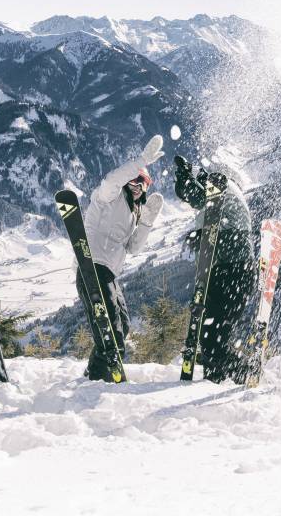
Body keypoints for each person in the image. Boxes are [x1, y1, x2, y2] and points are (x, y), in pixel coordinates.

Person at [81, 135, 165, 381]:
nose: (138, 186)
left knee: (123, 325)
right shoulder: (108, 196)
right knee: (109, 324)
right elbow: (111, 179)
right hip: (93, 264)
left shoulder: (132, 212)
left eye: (144, 183)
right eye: (135, 181)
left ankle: (94, 371)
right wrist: (141, 161)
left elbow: (133, 247)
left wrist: (147, 221)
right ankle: (102, 375)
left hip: (109, 272)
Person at [173, 154, 257, 383]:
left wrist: (184, 183)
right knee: (212, 336)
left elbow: (199, 195)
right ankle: (215, 381)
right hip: (227, 274)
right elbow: (204, 199)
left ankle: (247, 374)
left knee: (212, 338)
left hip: (234, 273)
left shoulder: (225, 190)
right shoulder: (224, 197)